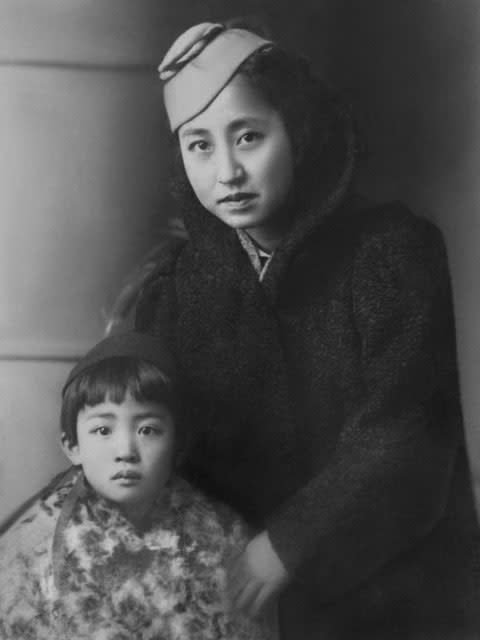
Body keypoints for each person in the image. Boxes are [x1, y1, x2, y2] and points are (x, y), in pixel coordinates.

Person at [128, 19, 480, 639]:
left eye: (248, 137)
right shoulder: (177, 289)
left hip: (388, 592)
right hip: (236, 592)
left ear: (300, 133)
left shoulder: (392, 255)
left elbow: (406, 437)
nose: (227, 171)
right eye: (200, 145)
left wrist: (289, 543)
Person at [0, 332, 276, 640]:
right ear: (72, 445)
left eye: (148, 430)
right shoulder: (32, 548)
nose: (126, 451)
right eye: (103, 429)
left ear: (177, 443)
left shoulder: (223, 534)